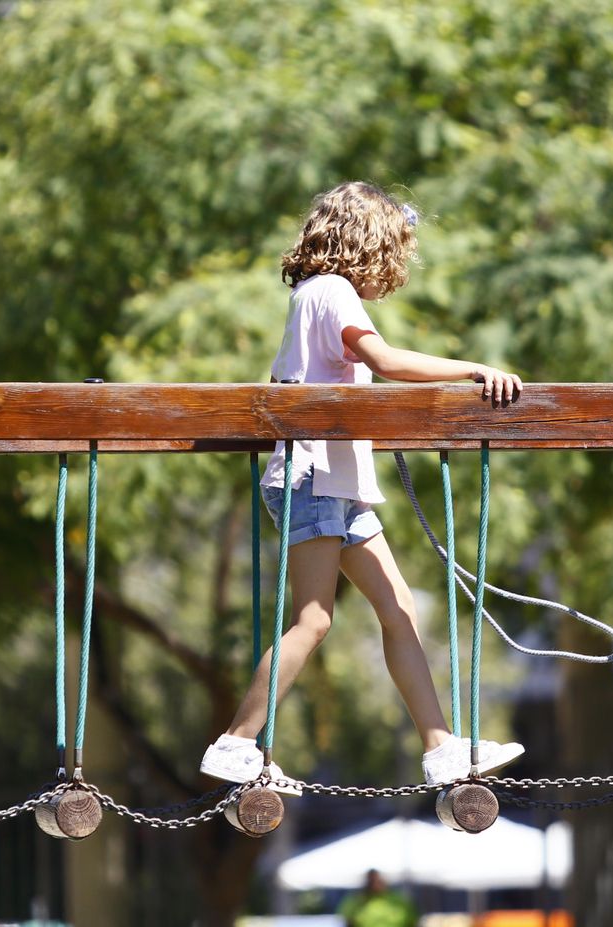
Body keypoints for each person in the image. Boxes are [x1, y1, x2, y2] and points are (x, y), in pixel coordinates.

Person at [199, 181, 525, 789]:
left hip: (334, 484)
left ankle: (440, 748)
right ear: (368, 245)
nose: (396, 272)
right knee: (314, 620)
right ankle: (235, 743)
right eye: (394, 255)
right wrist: (475, 370)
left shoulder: (310, 298)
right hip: (315, 479)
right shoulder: (332, 292)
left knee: (400, 609)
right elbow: (388, 362)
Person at [338, 869, 419, 927]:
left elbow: (413, 920)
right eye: (372, 880)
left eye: (377, 879)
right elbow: (348, 920)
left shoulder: (399, 898)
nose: (375, 883)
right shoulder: (356, 899)